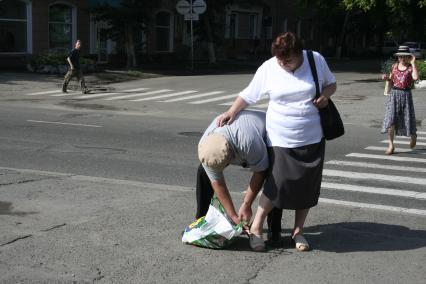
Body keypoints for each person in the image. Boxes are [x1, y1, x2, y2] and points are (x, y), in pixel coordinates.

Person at [216, 32, 337, 252]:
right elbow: (249, 94)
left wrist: (326, 96)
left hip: (312, 136)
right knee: (276, 184)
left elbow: (331, 84)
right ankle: (256, 227)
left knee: (306, 186)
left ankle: (298, 232)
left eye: (288, 60)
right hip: (280, 136)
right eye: (280, 60)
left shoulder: (315, 59)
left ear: (299, 54)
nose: (283, 64)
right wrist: (231, 111)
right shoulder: (269, 67)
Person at [196, 110, 268, 226]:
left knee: (274, 176)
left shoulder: (247, 142)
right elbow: (218, 184)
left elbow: (260, 172)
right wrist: (233, 216)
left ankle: (274, 232)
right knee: (202, 171)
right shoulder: (204, 147)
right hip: (236, 140)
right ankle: (200, 220)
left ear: (231, 155)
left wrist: (247, 204)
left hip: (268, 134)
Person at [381, 45, 419, 155]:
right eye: (400, 56)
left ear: (408, 57)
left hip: (406, 95)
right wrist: (386, 78)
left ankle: (413, 135)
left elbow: (416, 78)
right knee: (391, 120)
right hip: (394, 95)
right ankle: (391, 145)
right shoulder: (394, 66)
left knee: (408, 118)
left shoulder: (411, 68)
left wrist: (413, 63)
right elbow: (391, 80)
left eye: (404, 56)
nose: (401, 58)